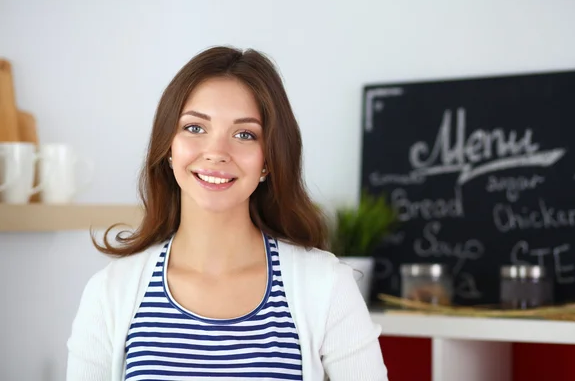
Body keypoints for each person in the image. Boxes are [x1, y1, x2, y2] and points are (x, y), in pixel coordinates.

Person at [66, 46, 388, 380]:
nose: (216, 152)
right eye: (194, 128)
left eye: (244, 134)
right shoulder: (109, 292)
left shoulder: (326, 286)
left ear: (268, 161)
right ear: (169, 147)